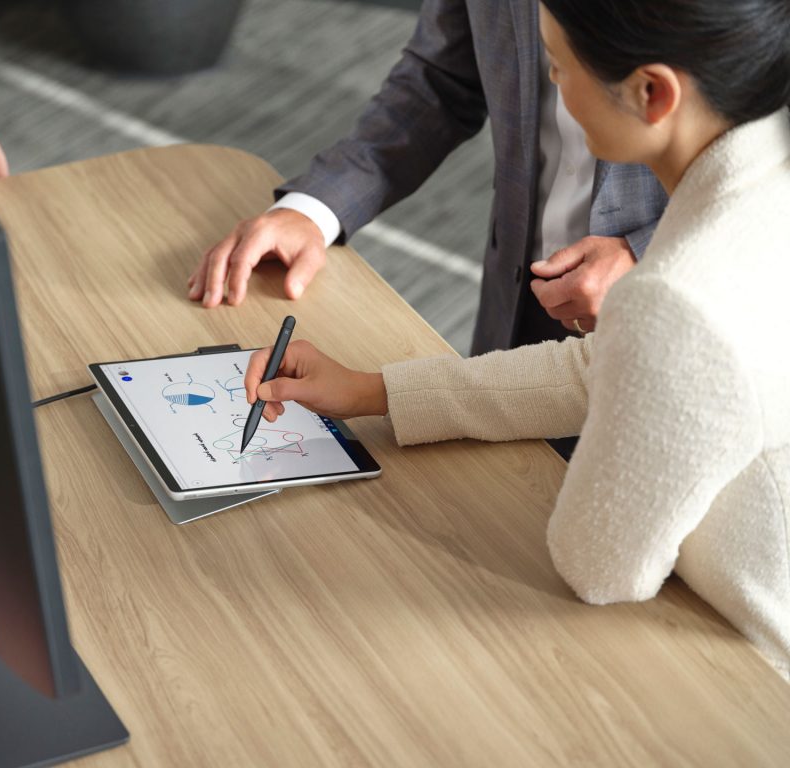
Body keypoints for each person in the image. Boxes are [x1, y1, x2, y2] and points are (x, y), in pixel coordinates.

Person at [242, 0, 790, 680]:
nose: (550, 87)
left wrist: (642, 310)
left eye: (558, 65)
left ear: (651, 93)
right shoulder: (757, 178)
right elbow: (598, 370)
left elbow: (599, 565)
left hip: (743, 674)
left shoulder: (673, 299)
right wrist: (372, 390)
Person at [188, 0, 667, 357]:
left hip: (676, 321)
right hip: (517, 302)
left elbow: (741, 156)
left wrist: (649, 258)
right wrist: (314, 208)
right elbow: (441, 78)